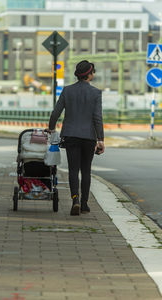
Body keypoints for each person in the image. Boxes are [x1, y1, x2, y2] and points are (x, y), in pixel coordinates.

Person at [48, 60, 105, 216]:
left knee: (73, 170)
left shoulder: (67, 91)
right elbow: (97, 118)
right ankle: (85, 204)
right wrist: (101, 140)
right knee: (86, 170)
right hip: (89, 137)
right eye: (93, 72)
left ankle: (75, 200)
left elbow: (55, 113)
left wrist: (51, 128)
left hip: (71, 135)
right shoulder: (96, 93)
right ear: (90, 74)